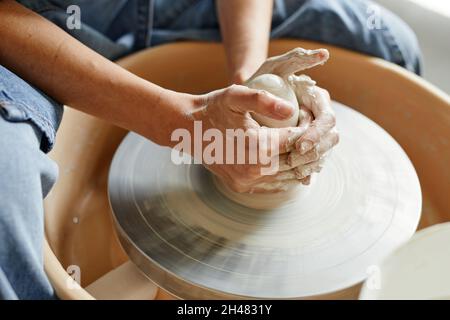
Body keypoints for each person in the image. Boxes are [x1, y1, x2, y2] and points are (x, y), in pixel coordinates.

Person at [0, 0, 421, 299]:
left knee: (391, 45)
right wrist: (181, 120)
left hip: (159, 7)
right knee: (6, 182)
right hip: (27, 27)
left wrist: (249, 82)